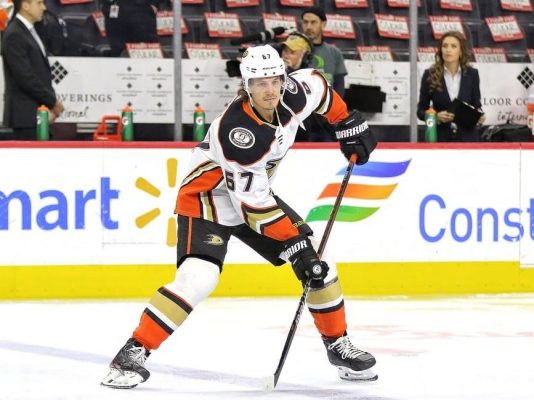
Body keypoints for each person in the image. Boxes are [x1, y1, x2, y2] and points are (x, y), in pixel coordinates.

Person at [101, 44, 378, 389]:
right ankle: (132, 352)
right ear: (246, 86)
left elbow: (320, 88)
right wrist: (296, 244)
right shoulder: (236, 133)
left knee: (319, 262)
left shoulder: (292, 93)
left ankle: (338, 346)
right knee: (199, 277)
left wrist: (345, 122)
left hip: (253, 194)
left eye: (275, 80)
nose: (270, 90)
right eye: (260, 84)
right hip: (208, 200)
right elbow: (254, 209)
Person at [1, 0, 63, 140]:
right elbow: (25, 77)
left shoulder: (30, 31)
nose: (44, 7)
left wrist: (50, 105)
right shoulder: (14, 34)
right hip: (26, 116)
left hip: (38, 113)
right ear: (25, 6)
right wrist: (53, 102)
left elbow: (40, 73)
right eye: (39, 3)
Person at [417, 30, 485, 142]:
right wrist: (436, 117)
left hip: (467, 139)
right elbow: (420, 111)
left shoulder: (472, 74)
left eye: (453, 46)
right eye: (445, 46)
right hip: (441, 138)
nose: (448, 50)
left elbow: (477, 105)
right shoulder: (430, 74)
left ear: (461, 51)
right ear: (441, 50)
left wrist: (480, 116)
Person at [301, 7, 347, 98]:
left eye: (313, 22)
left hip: (328, 103)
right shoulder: (293, 51)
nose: (308, 27)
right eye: (305, 22)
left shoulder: (335, 53)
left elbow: (339, 86)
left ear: (323, 24)